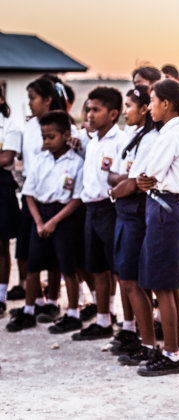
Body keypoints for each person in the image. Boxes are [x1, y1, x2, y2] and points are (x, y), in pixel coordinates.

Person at [135, 79, 179, 376]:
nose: (149, 107)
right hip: (167, 207)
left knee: (164, 285)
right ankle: (174, 349)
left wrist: (140, 178)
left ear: (166, 104)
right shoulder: (175, 131)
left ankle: (173, 354)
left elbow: (148, 174)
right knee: (169, 286)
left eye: (152, 100)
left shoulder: (170, 134)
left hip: (163, 207)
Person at [6, 111, 84, 333]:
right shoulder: (40, 160)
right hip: (40, 214)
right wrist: (40, 222)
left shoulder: (76, 162)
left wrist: (54, 222)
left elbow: (77, 199)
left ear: (66, 135)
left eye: (51, 137)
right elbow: (29, 194)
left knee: (67, 267)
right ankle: (29, 311)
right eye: (44, 137)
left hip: (64, 215)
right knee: (33, 266)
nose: (46, 142)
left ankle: (73, 313)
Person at [105, 85, 160, 361]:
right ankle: (142, 337)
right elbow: (115, 175)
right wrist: (119, 183)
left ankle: (149, 344)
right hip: (124, 213)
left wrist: (118, 186)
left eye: (129, 106)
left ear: (144, 109)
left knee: (131, 281)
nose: (126, 111)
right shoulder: (135, 135)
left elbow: (134, 184)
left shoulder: (151, 139)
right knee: (126, 278)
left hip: (136, 213)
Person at [72, 87, 128, 341]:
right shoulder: (92, 141)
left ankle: (129, 326)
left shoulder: (120, 141)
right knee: (97, 267)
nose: (90, 115)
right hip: (91, 208)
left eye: (96, 110)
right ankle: (104, 319)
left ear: (114, 113)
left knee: (117, 267)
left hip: (110, 207)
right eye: (88, 109)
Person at [12, 77, 67, 321]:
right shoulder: (29, 127)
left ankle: (53, 301)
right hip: (31, 196)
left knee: (55, 255)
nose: (30, 104)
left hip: (55, 198)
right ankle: (34, 300)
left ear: (47, 99)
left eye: (33, 98)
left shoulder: (61, 124)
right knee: (25, 250)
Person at [0, 84, 21, 317]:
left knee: (1, 244)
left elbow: (5, 158)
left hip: (1, 186)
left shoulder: (9, 127)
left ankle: (1, 296)